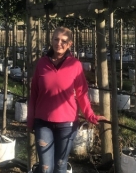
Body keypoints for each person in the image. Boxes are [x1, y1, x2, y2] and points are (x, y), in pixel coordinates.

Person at [27, 26, 107, 173]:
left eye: (64, 40)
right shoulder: (42, 64)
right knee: (45, 168)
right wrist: (30, 120)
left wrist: (90, 115)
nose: (59, 43)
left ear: (70, 44)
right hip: (43, 123)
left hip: (67, 124)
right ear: (51, 40)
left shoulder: (75, 65)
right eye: (56, 39)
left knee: (60, 165)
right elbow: (34, 95)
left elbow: (82, 93)